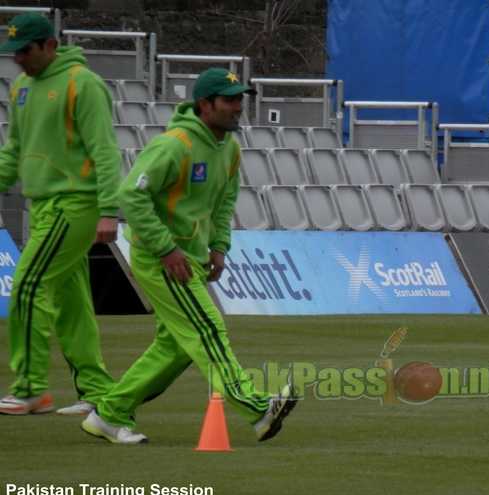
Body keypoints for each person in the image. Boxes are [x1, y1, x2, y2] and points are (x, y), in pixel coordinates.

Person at [81, 68, 297, 444]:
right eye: (229, 100)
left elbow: (225, 202)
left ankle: (109, 414)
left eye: (240, 100)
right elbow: (131, 195)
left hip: (192, 258)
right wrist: (166, 248)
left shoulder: (228, 148)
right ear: (204, 105)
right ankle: (259, 410)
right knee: (208, 330)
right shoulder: (175, 145)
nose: (238, 108)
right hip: (162, 258)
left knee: (177, 347)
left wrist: (218, 247)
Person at [0, 13, 119, 416]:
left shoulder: (82, 84)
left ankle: (31, 388)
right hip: (43, 205)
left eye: (26, 51)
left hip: (75, 204)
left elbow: (105, 151)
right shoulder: (20, 87)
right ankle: (99, 391)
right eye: (14, 53)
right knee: (72, 304)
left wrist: (109, 211)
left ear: (49, 46)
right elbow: (13, 148)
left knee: (29, 287)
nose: (18, 60)